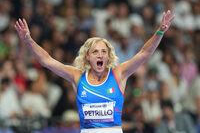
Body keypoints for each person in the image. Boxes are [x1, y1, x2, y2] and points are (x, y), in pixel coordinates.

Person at [14, 10, 175, 133]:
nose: (100, 55)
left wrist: (160, 31)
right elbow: (46, 60)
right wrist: (28, 40)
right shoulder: (77, 76)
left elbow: (144, 53)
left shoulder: (118, 74)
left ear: (109, 56)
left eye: (104, 52)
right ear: (87, 57)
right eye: (96, 52)